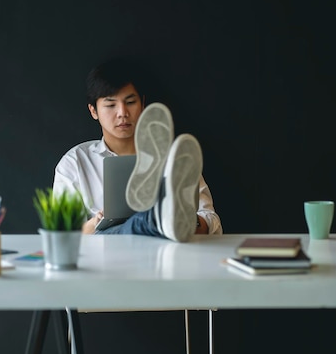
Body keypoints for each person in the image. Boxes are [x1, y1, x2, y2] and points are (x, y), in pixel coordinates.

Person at [53, 59, 222, 241]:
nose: (122, 113)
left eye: (130, 102)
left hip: (164, 252)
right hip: (106, 253)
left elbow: (211, 220)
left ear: (142, 104)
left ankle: (170, 220)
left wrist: (191, 222)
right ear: (93, 111)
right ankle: (158, 218)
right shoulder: (75, 162)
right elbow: (63, 237)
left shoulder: (176, 156)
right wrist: (95, 222)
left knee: (166, 223)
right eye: (111, 105)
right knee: (128, 226)